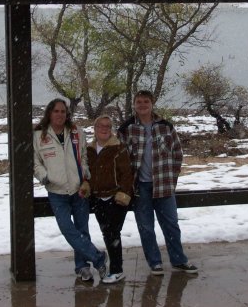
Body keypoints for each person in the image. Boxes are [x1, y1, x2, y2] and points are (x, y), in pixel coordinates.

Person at [118, 90, 198, 276]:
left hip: (163, 185)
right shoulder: (126, 128)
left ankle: (179, 260)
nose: (142, 105)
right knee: (146, 227)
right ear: (134, 105)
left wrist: (172, 179)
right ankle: (155, 263)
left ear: (152, 104)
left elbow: (177, 154)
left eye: (146, 101)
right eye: (139, 101)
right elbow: (120, 159)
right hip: (139, 187)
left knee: (171, 224)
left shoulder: (165, 126)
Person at [33, 98, 108, 282]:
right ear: (49, 113)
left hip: (78, 189)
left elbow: (83, 155)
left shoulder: (75, 131)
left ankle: (82, 267)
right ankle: (98, 258)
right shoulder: (39, 135)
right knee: (67, 228)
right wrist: (45, 177)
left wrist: (85, 177)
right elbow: (35, 162)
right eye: (56, 111)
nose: (60, 114)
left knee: (82, 230)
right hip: (56, 192)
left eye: (63, 111)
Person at [86, 115, 134, 284]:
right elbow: (86, 173)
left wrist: (123, 194)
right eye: (101, 126)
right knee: (107, 233)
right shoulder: (89, 149)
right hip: (98, 198)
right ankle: (114, 266)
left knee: (113, 233)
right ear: (95, 128)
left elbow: (127, 173)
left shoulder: (118, 148)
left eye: (108, 126)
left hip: (116, 197)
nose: (104, 129)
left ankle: (117, 270)